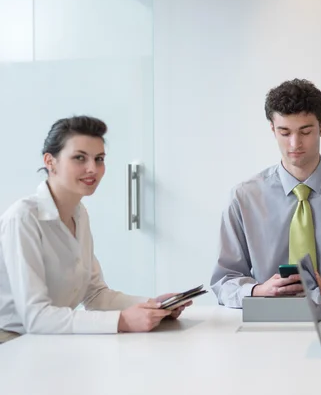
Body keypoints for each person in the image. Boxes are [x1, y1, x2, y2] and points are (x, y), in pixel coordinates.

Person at [0, 116, 191, 342]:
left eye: (99, 159)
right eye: (80, 158)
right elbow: (36, 317)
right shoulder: (23, 218)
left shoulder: (79, 214)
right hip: (12, 342)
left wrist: (153, 305)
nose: (92, 169)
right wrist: (122, 320)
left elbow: (95, 294)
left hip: (50, 340)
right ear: (50, 162)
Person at [211, 78, 321, 308]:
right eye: (284, 132)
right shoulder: (243, 198)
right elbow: (224, 280)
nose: (294, 144)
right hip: (266, 325)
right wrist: (258, 291)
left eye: (305, 131)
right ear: (272, 129)